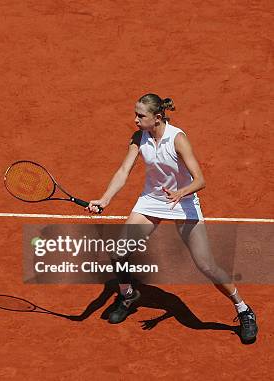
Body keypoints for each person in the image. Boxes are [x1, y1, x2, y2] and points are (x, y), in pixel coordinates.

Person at [86, 93, 257, 343]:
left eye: (140, 115)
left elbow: (200, 179)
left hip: (183, 202)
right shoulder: (139, 137)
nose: (135, 119)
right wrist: (104, 199)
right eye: (135, 114)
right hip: (152, 201)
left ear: (156, 118)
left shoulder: (177, 139)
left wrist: (181, 192)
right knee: (118, 251)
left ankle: (244, 309)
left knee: (206, 265)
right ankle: (128, 294)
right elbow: (123, 171)